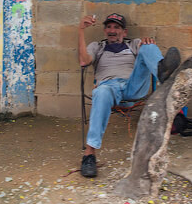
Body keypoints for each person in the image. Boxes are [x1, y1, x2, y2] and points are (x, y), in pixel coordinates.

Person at [77, 12, 180, 178]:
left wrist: (149, 45)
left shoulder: (133, 44)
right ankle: (89, 155)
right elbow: (83, 61)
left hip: (133, 86)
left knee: (147, 45)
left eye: (116, 27)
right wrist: (81, 30)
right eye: (109, 27)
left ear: (124, 32)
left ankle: (164, 74)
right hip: (108, 88)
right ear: (105, 31)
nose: (112, 30)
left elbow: (146, 50)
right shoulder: (98, 46)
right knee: (100, 91)